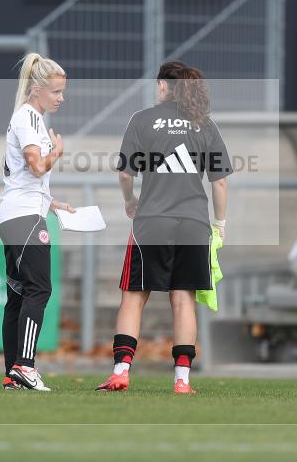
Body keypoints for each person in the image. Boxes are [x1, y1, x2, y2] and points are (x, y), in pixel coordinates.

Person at [97, 61, 231, 394]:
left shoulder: (142, 119)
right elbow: (219, 182)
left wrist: (130, 200)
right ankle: (182, 380)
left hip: (151, 221)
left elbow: (125, 173)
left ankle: (121, 372)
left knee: (133, 297)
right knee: (183, 299)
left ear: (162, 86)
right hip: (194, 224)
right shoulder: (205, 124)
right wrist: (220, 223)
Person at [0, 52, 74, 391]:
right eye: (56, 92)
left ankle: (12, 373)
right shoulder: (27, 119)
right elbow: (36, 167)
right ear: (37, 88)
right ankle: (25, 366)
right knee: (39, 289)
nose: (61, 98)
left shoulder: (31, 119)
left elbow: (24, 178)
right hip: (24, 217)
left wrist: (53, 204)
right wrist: (56, 152)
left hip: (18, 213)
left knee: (18, 295)